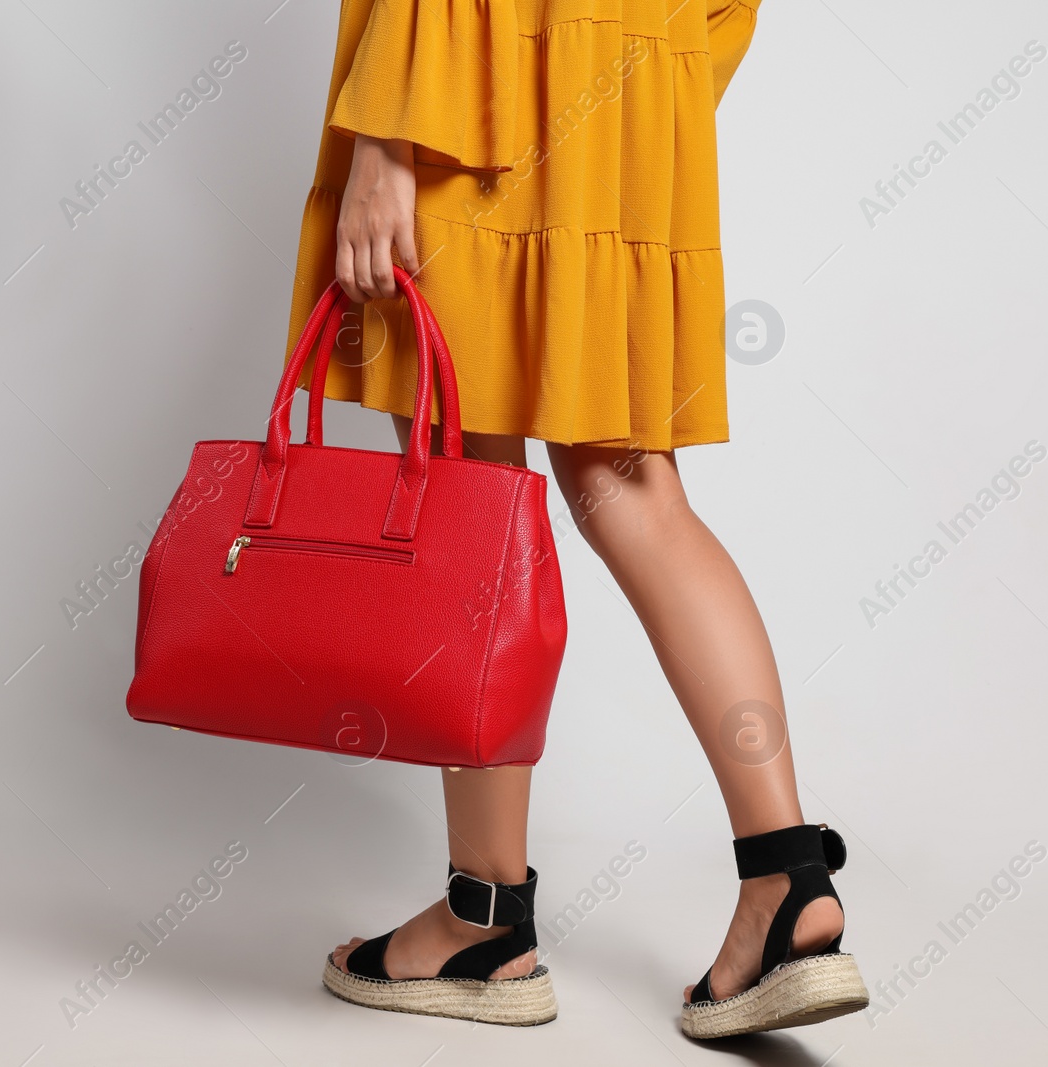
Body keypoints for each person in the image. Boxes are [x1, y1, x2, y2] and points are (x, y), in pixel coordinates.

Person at [288, 0, 867, 1038]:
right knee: (636, 490)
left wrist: (384, 137)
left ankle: (485, 918)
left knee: (470, 489)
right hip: (628, 95)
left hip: (477, 97)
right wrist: (652, 90)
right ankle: (786, 877)